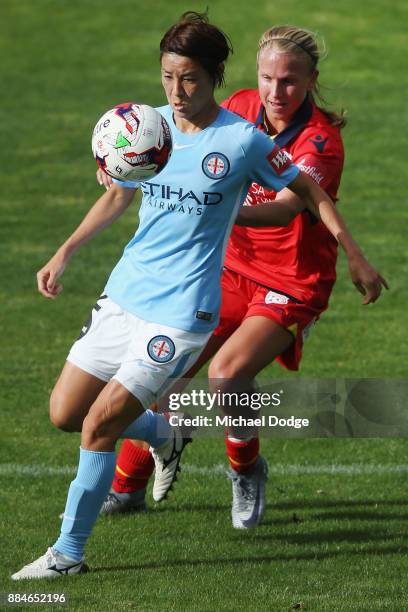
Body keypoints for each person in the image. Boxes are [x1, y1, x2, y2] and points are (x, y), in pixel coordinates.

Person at [12, 13, 386, 580]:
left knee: (104, 425)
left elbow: (304, 192)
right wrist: (65, 249)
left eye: (188, 79)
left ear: (211, 77)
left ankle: (67, 556)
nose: (176, 91)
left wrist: (354, 253)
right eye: (167, 77)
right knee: (66, 413)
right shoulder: (149, 127)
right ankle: (167, 432)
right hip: (125, 297)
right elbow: (118, 195)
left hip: (185, 311)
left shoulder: (242, 140)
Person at [99, 24, 388, 529]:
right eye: (268, 79)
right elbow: (174, 150)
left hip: (291, 279)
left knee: (227, 374)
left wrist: (212, 208)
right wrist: (123, 167)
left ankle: (247, 470)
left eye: (291, 82)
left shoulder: (321, 141)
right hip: (227, 267)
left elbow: (282, 210)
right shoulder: (239, 105)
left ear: (312, 80)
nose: (277, 93)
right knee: (161, 369)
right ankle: (126, 488)